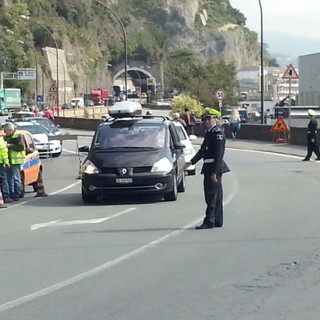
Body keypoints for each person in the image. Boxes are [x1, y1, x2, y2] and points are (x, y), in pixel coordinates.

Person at [184, 108, 230, 229]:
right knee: (216, 195)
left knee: (211, 195)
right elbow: (202, 151)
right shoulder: (210, 133)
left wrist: (215, 172)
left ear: (213, 120)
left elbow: (219, 155)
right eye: (205, 119)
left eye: (207, 119)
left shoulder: (218, 134)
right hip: (209, 167)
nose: (205, 122)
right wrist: (190, 162)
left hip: (214, 168)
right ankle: (217, 220)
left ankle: (209, 220)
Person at [3, 122, 26, 201]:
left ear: (10, 130)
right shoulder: (6, 137)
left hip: (15, 161)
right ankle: (11, 194)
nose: (4, 132)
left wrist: (10, 145)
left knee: (16, 179)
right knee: (9, 178)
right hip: (8, 161)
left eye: (5, 130)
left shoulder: (18, 135)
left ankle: (17, 194)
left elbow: (21, 147)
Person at [0, 135, 12, 203]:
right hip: (0, 163)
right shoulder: (1, 141)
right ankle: (6, 196)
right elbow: (4, 153)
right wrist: (6, 162)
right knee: (3, 179)